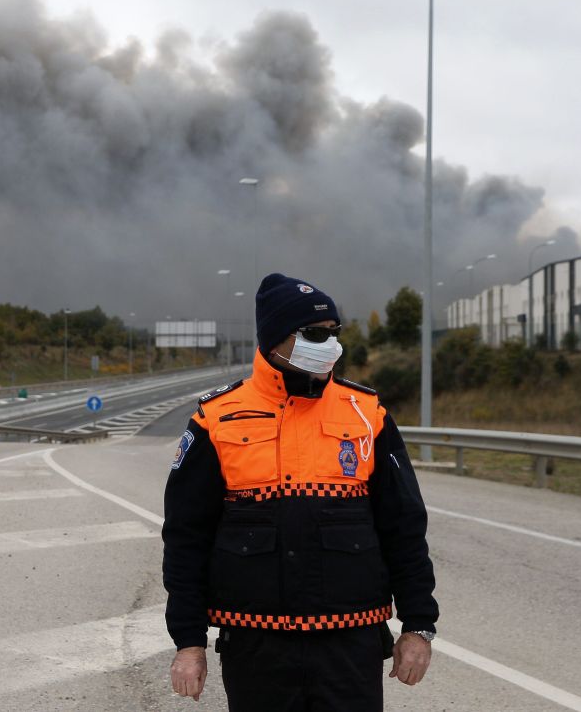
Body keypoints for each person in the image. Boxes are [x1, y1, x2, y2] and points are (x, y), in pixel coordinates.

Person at [162, 273, 438, 711]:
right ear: (275, 339)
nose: (329, 345)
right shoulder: (217, 418)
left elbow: (404, 525)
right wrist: (189, 641)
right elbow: (185, 538)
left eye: (333, 334)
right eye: (313, 334)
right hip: (255, 645)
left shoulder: (367, 414)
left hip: (351, 643)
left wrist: (418, 625)